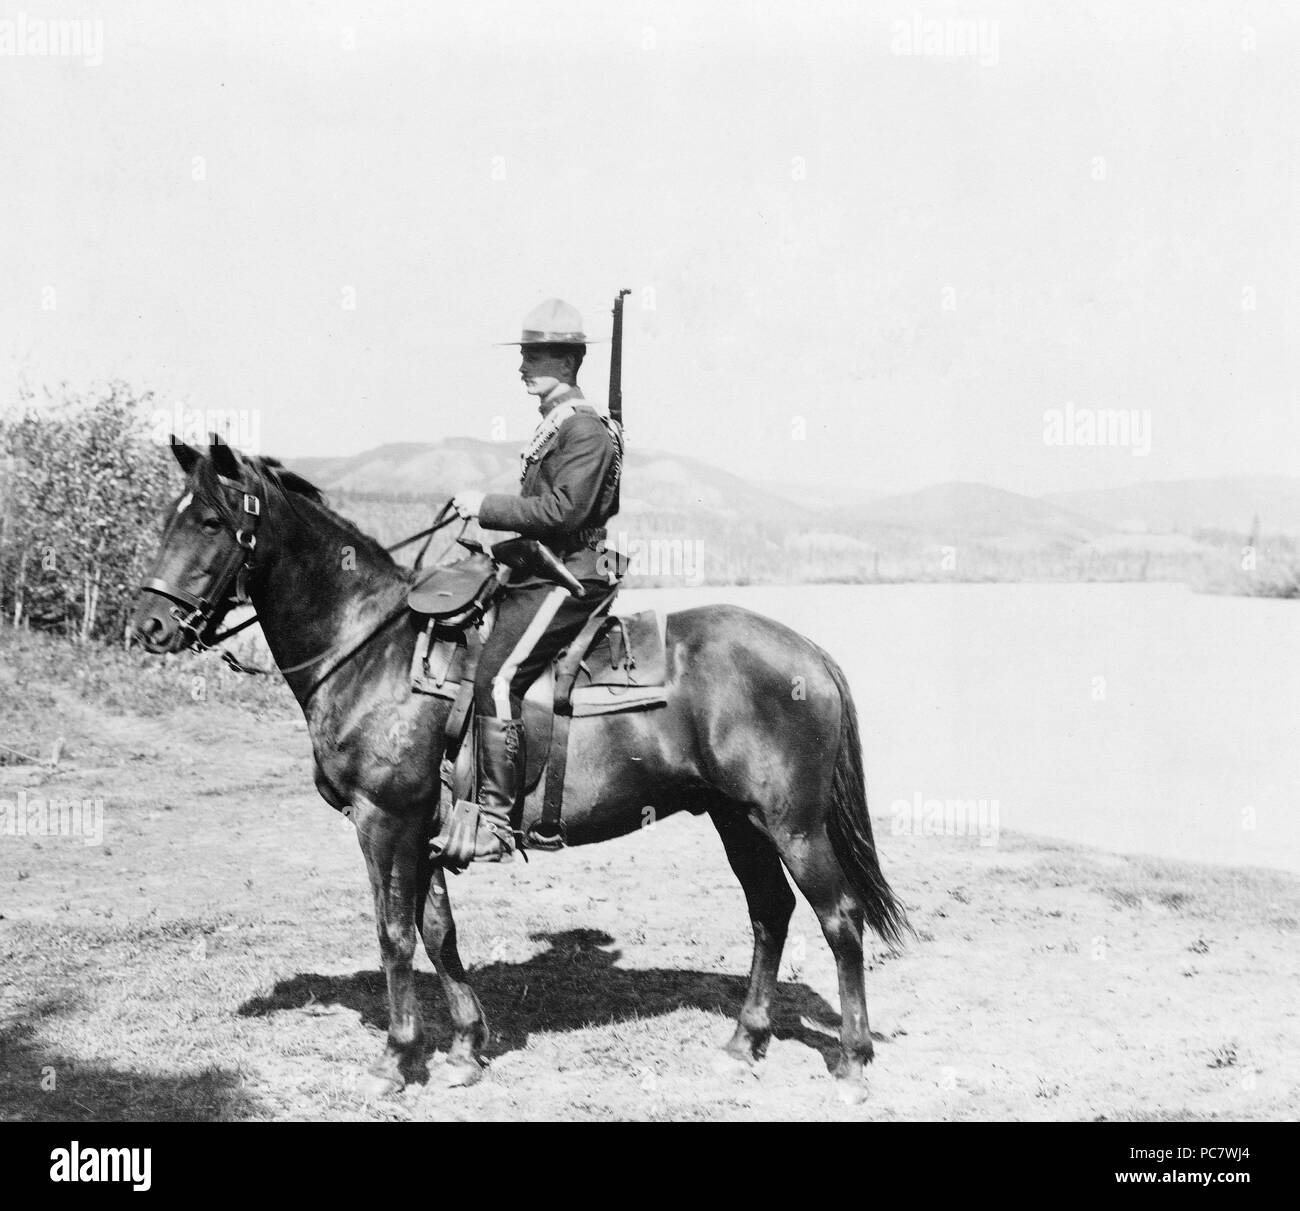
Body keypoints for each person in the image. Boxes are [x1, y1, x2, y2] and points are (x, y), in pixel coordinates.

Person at [431, 298, 623, 864]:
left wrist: (486, 505)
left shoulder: (584, 429)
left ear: (567, 362)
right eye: (524, 355)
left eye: (534, 356)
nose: (523, 366)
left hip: (572, 577)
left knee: (496, 675)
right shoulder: (557, 426)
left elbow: (564, 512)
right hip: (543, 567)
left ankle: (493, 819)